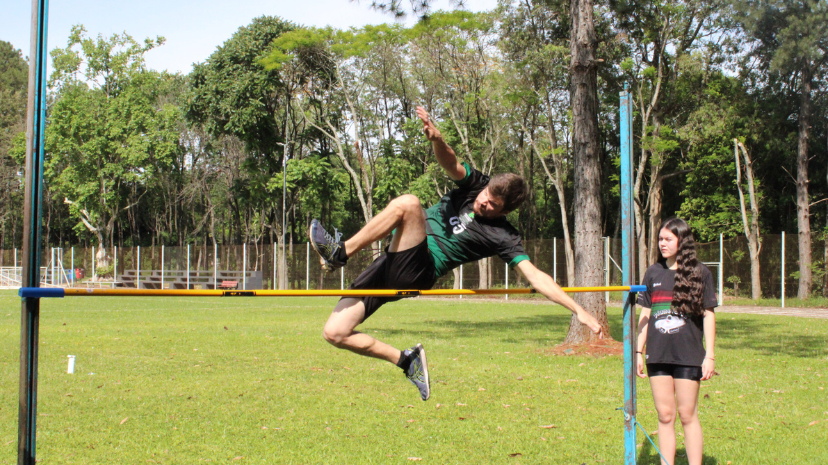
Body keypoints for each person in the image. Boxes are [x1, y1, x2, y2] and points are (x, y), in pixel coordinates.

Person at [308, 106, 603, 402]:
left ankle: (339, 253)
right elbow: (451, 163)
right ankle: (407, 361)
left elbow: (535, 276)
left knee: (408, 204)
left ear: (505, 211)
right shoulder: (476, 185)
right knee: (335, 332)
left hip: (419, 270)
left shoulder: (503, 235)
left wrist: (577, 309)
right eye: (485, 195)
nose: (483, 202)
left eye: (492, 205)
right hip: (392, 261)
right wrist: (437, 139)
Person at [635, 217, 717, 465]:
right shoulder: (653, 272)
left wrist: (710, 355)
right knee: (665, 415)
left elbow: (708, 315)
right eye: (660, 239)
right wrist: (638, 351)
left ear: (682, 241)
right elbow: (646, 313)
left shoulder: (700, 273)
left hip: (688, 356)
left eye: (668, 239)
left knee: (687, 415)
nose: (662, 243)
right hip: (658, 355)